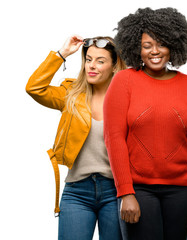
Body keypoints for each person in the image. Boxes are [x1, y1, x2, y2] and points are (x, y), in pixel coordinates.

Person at [103, 7, 187, 240]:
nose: (155, 52)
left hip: (184, 190)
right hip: (138, 188)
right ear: (137, 48)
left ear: (174, 46)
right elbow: (114, 138)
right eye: (147, 45)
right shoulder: (124, 81)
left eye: (162, 44)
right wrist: (125, 192)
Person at [26, 35, 126, 240]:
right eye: (88, 59)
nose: (92, 66)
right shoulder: (71, 94)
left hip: (116, 191)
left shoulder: (127, 99)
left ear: (114, 66)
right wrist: (62, 54)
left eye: (100, 61)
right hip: (77, 191)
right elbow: (34, 88)